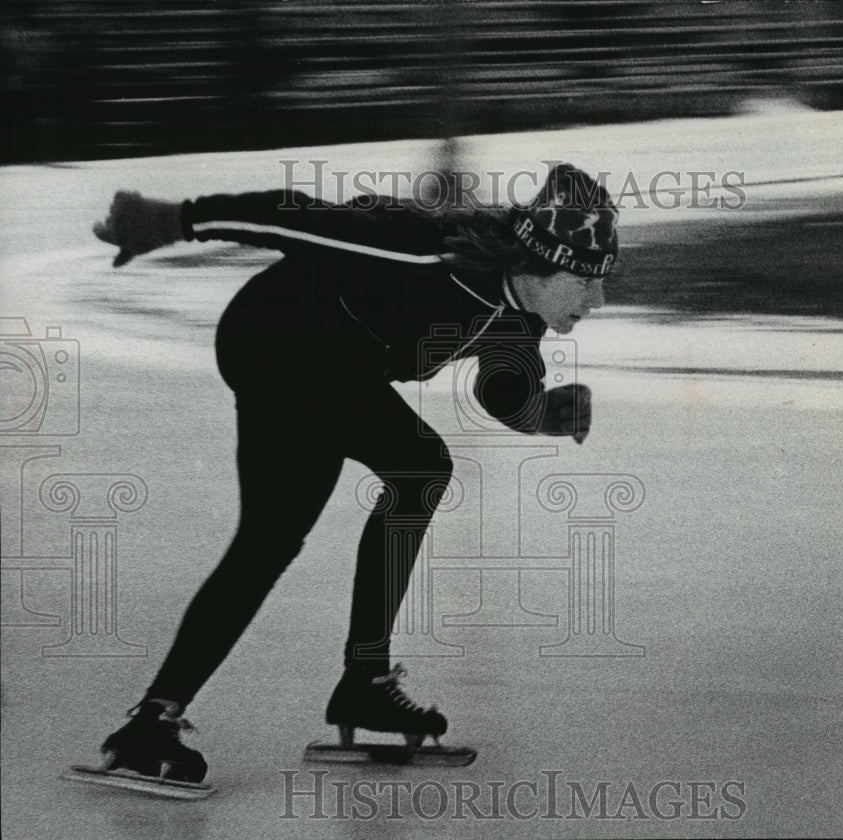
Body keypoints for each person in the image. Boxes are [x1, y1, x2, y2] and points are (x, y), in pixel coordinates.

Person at [92, 162, 619, 782]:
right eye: (585, 281)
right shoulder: (418, 252)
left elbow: (502, 384)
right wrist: (171, 221)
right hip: (277, 343)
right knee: (273, 536)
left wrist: (542, 413)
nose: (598, 299)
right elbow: (293, 216)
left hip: (345, 368)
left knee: (422, 469)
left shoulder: (519, 311)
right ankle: (151, 720)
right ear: (537, 265)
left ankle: (364, 681)